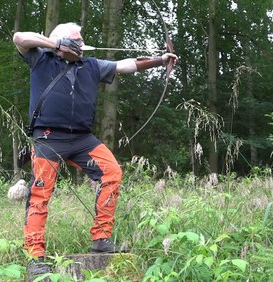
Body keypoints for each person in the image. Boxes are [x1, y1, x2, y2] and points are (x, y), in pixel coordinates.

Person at [13, 22, 177, 278]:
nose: (81, 43)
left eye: (80, 40)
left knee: (111, 173)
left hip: (81, 139)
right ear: (62, 42)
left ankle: (101, 238)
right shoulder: (40, 58)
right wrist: (55, 45)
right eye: (76, 40)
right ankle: (35, 257)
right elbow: (19, 37)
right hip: (48, 137)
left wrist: (160, 60)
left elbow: (126, 65)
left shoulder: (90, 65)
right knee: (40, 194)